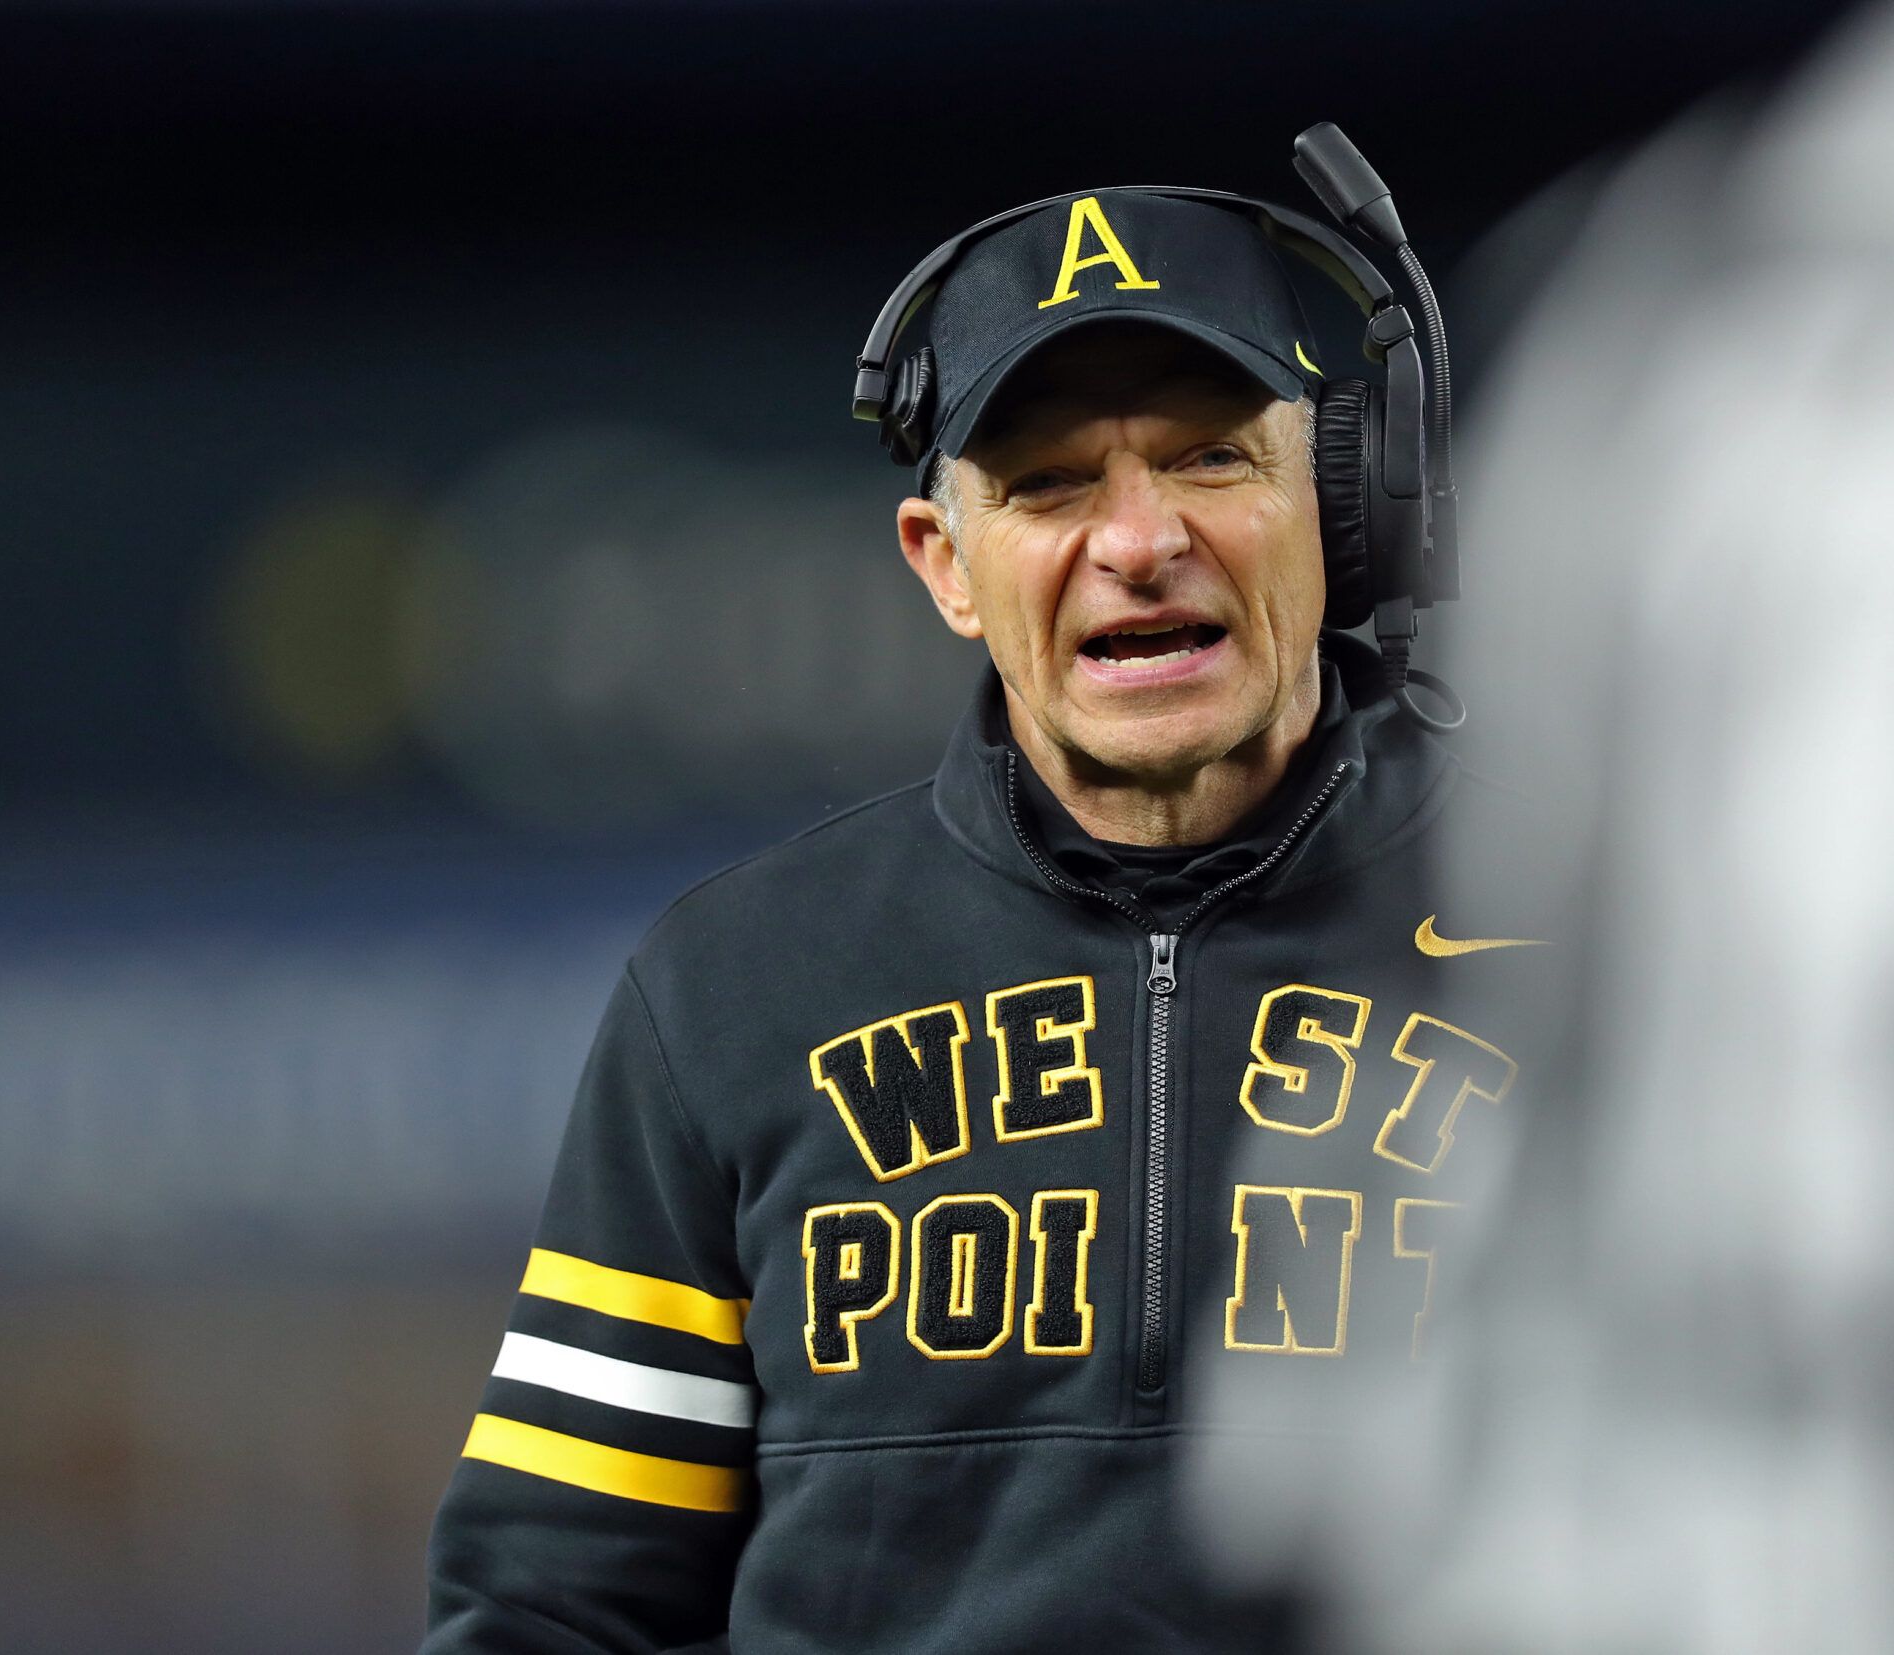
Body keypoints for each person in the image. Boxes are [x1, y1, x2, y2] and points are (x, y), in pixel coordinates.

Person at [421, 180, 1545, 1653]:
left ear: (1339, 506)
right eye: (1051, 484)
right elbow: (549, 1607)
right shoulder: (739, 988)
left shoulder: (1580, 939)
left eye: (1211, 456)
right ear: (945, 564)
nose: (1140, 540)